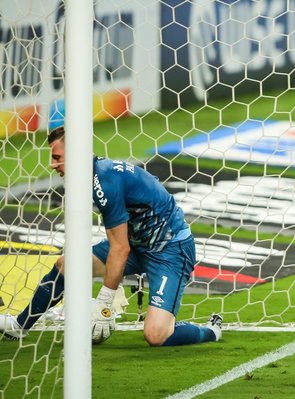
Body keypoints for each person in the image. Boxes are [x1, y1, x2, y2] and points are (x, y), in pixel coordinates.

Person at [0, 126, 222, 346]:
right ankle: (19, 326)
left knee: (156, 335)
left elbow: (120, 248)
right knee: (67, 265)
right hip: (137, 245)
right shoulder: (97, 174)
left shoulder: (104, 182)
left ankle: (211, 331)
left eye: (57, 157)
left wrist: (104, 306)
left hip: (170, 250)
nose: (52, 164)